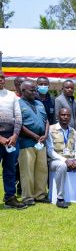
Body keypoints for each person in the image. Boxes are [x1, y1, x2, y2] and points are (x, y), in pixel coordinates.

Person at [18, 80, 49, 206]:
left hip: (41, 142)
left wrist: (45, 135)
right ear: (23, 91)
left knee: (42, 170)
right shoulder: (18, 104)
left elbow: (46, 120)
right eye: (31, 90)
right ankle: (28, 197)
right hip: (26, 142)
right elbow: (19, 124)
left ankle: (40, 195)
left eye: (35, 89)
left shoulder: (39, 103)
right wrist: (34, 135)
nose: (34, 92)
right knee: (27, 171)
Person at [0, 71, 25, 209]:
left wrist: (15, 136)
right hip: (1, 138)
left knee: (10, 169)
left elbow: (18, 117)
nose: (0, 80)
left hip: (12, 139)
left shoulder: (11, 96)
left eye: (2, 77)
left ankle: (10, 197)